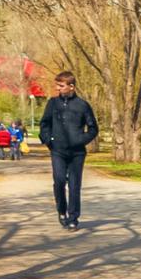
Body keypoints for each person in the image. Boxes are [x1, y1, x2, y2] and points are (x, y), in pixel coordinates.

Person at [39, 71, 99, 228]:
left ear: (71, 86)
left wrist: (81, 140)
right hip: (58, 150)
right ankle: (62, 210)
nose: (57, 88)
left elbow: (93, 128)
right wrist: (48, 140)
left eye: (61, 85)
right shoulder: (53, 104)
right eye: (57, 85)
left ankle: (73, 218)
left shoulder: (82, 105)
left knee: (74, 185)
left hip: (77, 152)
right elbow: (44, 124)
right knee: (59, 181)